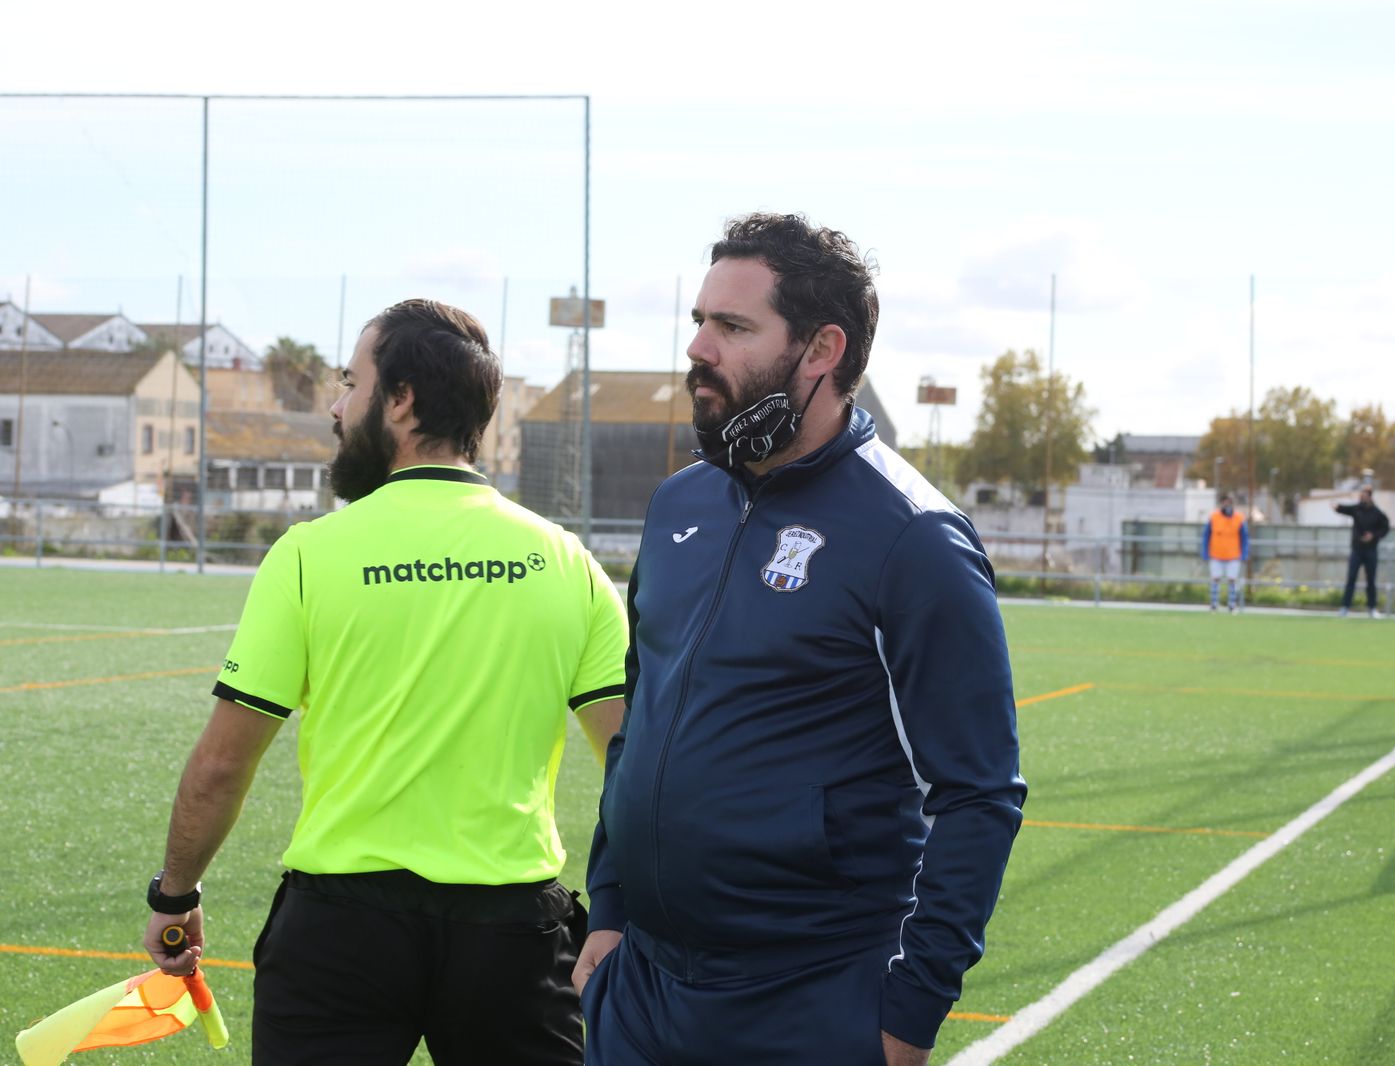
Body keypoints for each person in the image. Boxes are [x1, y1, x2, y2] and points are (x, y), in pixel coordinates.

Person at [575, 214, 1026, 1066]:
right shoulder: (679, 505)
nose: (700, 347)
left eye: (733, 327)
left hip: (812, 1000)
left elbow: (979, 792)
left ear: (822, 349)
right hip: (643, 991)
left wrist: (911, 1009)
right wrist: (608, 907)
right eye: (701, 321)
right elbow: (641, 722)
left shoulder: (914, 536)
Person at [139, 299, 627, 1065]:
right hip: (512, 938)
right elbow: (632, 762)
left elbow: (222, 764)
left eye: (350, 383)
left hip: (341, 934)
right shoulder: (567, 561)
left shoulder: (309, 554)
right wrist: (630, 907)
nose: (335, 406)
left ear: (400, 400)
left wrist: (175, 896)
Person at [1335, 485, 1390, 617]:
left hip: (1370, 551)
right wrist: (1336, 507)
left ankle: (1372, 608)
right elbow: (1344, 509)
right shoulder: (1357, 509)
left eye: (1364, 495)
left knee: (1371, 580)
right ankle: (1345, 607)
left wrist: (1373, 536)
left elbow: (1385, 528)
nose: (1362, 497)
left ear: (1370, 496)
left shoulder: (1377, 513)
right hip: (1357, 550)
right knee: (1351, 578)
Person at [1200, 492, 1249, 613]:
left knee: (1232, 580)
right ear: (1221, 503)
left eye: (1229, 503)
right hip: (1216, 554)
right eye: (1225, 502)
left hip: (1233, 555)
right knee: (1215, 579)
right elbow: (1206, 536)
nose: (1227, 505)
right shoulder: (1214, 517)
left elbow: (1245, 538)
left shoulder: (1239, 518)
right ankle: (1214, 605)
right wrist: (1205, 552)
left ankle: (1232, 605)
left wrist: (1244, 553)